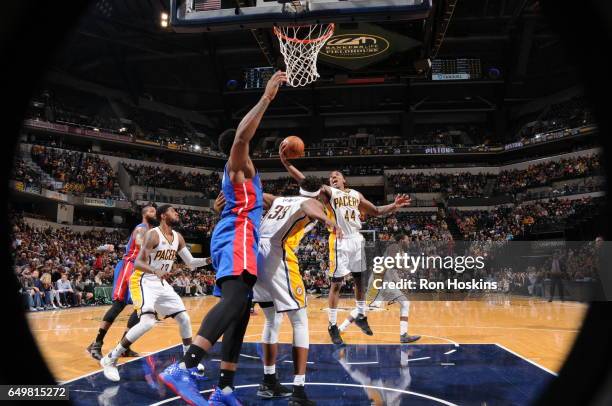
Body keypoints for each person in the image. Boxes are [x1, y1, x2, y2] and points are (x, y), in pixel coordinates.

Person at [159, 70, 287, 406]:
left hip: (234, 235)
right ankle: (184, 367)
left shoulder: (247, 183)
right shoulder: (239, 165)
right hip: (237, 237)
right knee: (233, 301)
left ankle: (225, 388)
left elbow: (268, 200)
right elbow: (242, 141)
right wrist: (266, 98)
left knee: (240, 309)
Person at [253, 172, 343, 406]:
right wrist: (328, 221)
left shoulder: (282, 199)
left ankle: (268, 382)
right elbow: (309, 206)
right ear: (320, 192)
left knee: (272, 320)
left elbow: (262, 196)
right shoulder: (312, 202)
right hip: (276, 255)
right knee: (300, 321)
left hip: (256, 255)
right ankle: (298, 391)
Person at [99, 205, 210, 382]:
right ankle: (110, 359)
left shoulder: (178, 237)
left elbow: (190, 263)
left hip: (160, 283)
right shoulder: (152, 234)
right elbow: (138, 263)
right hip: (143, 279)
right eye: (173, 211)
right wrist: (155, 271)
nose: (177, 213)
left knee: (184, 319)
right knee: (148, 322)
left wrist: (209, 259)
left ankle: (189, 360)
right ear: (163, 215)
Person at [87, 205, 156, 361]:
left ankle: (124, 346)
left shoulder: (151, 231)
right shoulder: (141, 228)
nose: (155, 213)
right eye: (151, 211)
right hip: (129, 266)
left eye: (155, 211)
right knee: (120, 305)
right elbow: (139, 241)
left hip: (139, 269)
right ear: (144, 214)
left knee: (141, 307)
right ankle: (97, 344)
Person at [348, 234, 421, 343]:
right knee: (368, 307)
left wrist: (400, 283)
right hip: (379, 281)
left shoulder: (400, 252)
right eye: (407, 240)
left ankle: (404, 335)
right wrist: (407, 269)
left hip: (386, 282)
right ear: (401, 241)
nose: (409, 242)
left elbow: (393, 270)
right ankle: (340, 328)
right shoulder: (394, 247)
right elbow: (392, 263)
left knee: (404, 303)